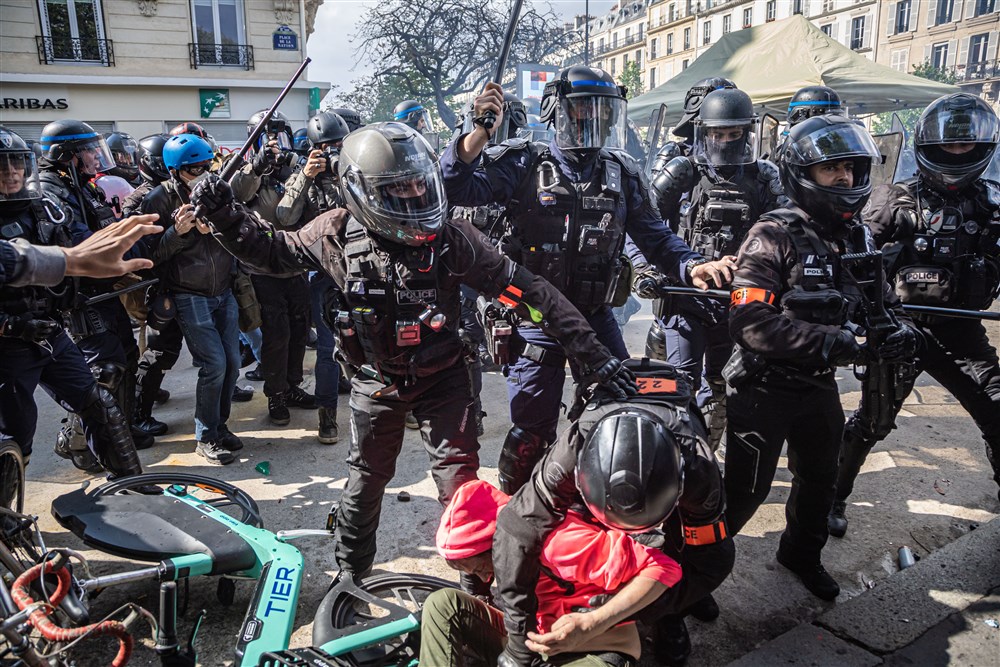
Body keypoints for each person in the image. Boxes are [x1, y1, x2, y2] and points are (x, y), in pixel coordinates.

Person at [190, 121, 636, 587]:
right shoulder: (336, 232)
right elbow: (273, 252)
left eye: (420, 185)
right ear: (360, 192)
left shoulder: (453, 238)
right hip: (376, 380)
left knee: (461, 488)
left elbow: (534, 293)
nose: (414, 198)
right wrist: (226, 216)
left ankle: (477, 582)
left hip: (444, 379)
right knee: (365, 483)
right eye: (398, 190)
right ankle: (350, 579)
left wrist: (596, 356)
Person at [441, 66, 735, 495]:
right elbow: (455, 185)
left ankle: (600, 498)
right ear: (558, 112)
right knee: (531, 431)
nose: (590, 122)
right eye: (581, 111)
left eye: (601, 112)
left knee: (623, 412)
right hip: (534, 320)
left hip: (596, 318)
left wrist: (692, 266)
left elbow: (656, 237)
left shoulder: (623, 172)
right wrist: (479, 132)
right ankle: (515, 510)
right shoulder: (524, 162)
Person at [725, 115, 915, 600]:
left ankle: (801, 554)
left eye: (851, 169)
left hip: (816, 386)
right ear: (803, 174)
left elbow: (883, 304)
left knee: (820, 480)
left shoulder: (857, 237)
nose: (845, 180)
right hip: (761, 387)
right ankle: (697, 573)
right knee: (745, 492)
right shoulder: (772, 235)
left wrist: (900, 332)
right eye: (832, 170)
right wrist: (843, 344)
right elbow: (750, 325)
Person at [830, 93, 1000, 535]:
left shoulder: (992, 206)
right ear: (928, 146)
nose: (956, 154)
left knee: (997, 412)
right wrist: (869, 318)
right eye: (949, 145)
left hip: (962, 334)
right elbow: (853, 260)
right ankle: (832, 498)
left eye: (966, 146)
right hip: (900, 329)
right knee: (871, 423)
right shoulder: (893, 200)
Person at [493, 358, 733, 666]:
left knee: (676, 553)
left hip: (673, 483)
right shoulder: (572, 451)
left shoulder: (698, 470)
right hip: (595, 475)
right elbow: (515, 532)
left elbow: (712, 562)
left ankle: (669, 619)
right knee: (562, 535)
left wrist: (627, 610)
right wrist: (518, 640)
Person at [0, 125, 157, 480]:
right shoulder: (53, 191)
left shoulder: (42, 204)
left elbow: (79, 249)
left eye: (15, 163)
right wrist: (9, 324)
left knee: (100, 400)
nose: (11, 173)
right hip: (11, 342)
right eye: (1, 166)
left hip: (51, 325)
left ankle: (132, 484)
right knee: (14, 441)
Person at [634, 87, 785, 451]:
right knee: (676, 381)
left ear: (747, 133)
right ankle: (671, 455)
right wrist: (646, 271)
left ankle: (702, 457)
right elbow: (641, 226)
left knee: (721, 386)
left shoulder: (764, 177)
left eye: (734, 134)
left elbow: (788, 229)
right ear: (704, 132)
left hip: (738, 299)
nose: (726, 142)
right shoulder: (681, 172)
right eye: (718, 134)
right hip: (686, 296)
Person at [420, 478, 683, 667]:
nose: (482, 578)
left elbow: (663, 566)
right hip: (530, 645)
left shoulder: (558, 545)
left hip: (593, 653)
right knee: (443, 604)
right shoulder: (510, 548)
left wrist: (592, 623)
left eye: (480, 567)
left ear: (496, 545)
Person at [139, 134, 244, 465]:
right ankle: (206, 436)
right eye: (193, 169)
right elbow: (151, 256)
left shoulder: (218, 189)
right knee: (213, 364)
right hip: (188, 294)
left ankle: (220, 426)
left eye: (207, 165)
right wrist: (178, 233)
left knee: (233, 362)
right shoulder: (158, 200)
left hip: (224, 290)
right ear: (174, 171)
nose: (202, 172)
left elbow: (242, 229)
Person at [231, 109, 316, 426]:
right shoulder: (246, 173)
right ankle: (276, 394)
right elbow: (236, 193)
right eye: (268, 139)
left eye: (280, 137)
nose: (276, 146)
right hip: (262, 270)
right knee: (276, 336)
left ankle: (293, 386)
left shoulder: (295, 169)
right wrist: (257, 165)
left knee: (299, 332)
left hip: (296, 265)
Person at [276, 110, 352, 444]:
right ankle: (327, 416)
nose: (333, 151)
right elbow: (283, 215)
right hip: (325, 274)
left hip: (364, 267)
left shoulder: (356, 167)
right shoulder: (302, 174)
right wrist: (305, 177)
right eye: (326, 147)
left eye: (338, 145)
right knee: (328, 348)